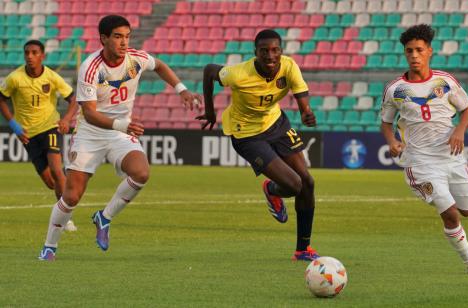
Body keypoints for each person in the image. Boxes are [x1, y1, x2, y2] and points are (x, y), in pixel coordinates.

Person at [37, 15, 201, 261]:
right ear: (103, 38)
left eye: (127, 36)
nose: (124, 42)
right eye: (117, 36)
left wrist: (181, 89)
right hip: (90, 135)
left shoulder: (136, 58)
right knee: (71, 196)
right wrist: (123, 124)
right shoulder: (91, 68)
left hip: (119, 133)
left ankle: (104, 218)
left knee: (141, 173)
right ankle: (50, 247)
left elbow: (160, 65)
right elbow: (90, 114)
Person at [197, 29, 319, 261]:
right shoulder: (238, 74)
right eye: (264, 51)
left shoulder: (289, 66)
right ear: (256, 53)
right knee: (294, 185)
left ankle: (303, 249)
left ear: (281, 51)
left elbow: (300, 91)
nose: (270, 56)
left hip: (276, 124)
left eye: (275, 50)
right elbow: (208, 71)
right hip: (247, 135)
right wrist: (211, 112)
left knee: (308, 183)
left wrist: (306, 112)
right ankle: (271, 189)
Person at [380, 24, 468, 275]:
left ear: (429, 51)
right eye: (409, 51)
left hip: (451, 157)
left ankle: (446, 201)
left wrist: (459, 130)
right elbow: (386, 123)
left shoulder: (445, 81)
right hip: (419, 163)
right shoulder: (394, 89)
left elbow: (467, 111)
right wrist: (391, 141)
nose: (414, 55)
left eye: (419, 50)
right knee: (451, 214)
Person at [0, 40, 79, 232]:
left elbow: (74, 99)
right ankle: (67, 180)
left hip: (50, 127)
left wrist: (67, 119)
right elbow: (1, 99)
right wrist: (14, 125)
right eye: (27, 52)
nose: (30, 56)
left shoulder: (52, 77)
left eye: (34, 52)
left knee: (55, 170)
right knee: (50, 182)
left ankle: (65, 217)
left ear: (42, 56)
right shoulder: (15, 78)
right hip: (28, 134)